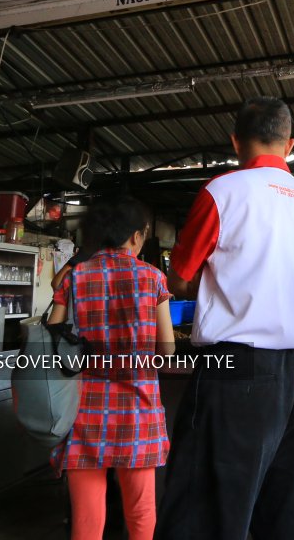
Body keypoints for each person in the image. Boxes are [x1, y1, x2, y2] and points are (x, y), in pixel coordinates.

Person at [154, 97, 294, 540]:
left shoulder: (223, 191)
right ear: (289, 145)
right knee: (293, 516)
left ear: (236, 142)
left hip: (239, 368)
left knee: (207, 512)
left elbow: (177, 280)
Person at [47, 197, 174, 540]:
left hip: (85, 409)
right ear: (135, 236)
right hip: (138, 409)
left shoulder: (75, 276)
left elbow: (53, 340)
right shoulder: (153, 278)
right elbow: (167, 348)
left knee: (87, 519)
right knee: (141, 511)